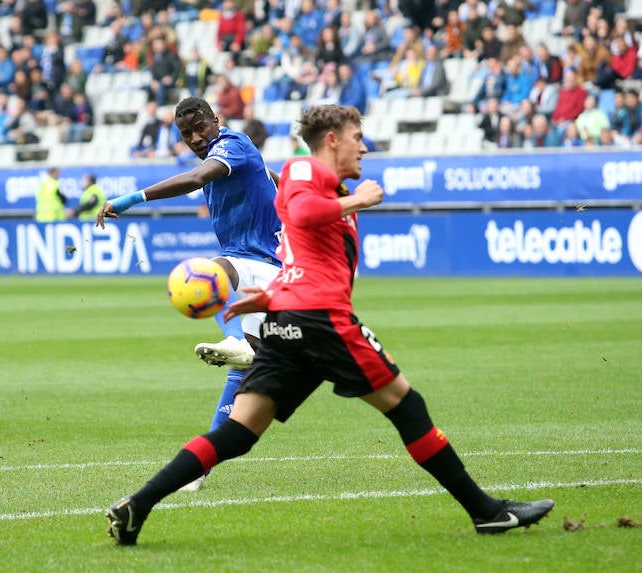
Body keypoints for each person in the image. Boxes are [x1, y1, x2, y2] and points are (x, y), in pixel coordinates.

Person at [105, 104, 555, 546]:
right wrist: (355, 201)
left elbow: (299, 249)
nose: (364, 147)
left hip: (291, 314)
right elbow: (299, 213)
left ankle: (137, 505)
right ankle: (489, 513)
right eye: (357, 138)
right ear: (333, 140)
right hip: (323, 320)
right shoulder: (305, 172)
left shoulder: (326, 185)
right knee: (407, 406)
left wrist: (272, 296)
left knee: (238, 433)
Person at [97, 96, 282, 491]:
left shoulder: (231, 144)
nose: (196, 138)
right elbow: (273, 179)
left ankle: (234, 339)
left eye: (201, 128)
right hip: (261, 267)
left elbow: (198, 179)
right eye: (186, 134)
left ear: (216, 121)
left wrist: (133, 198)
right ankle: (201, 467)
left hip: (267, 263)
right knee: (242, 376)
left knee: (210, 272)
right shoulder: (235, 153)